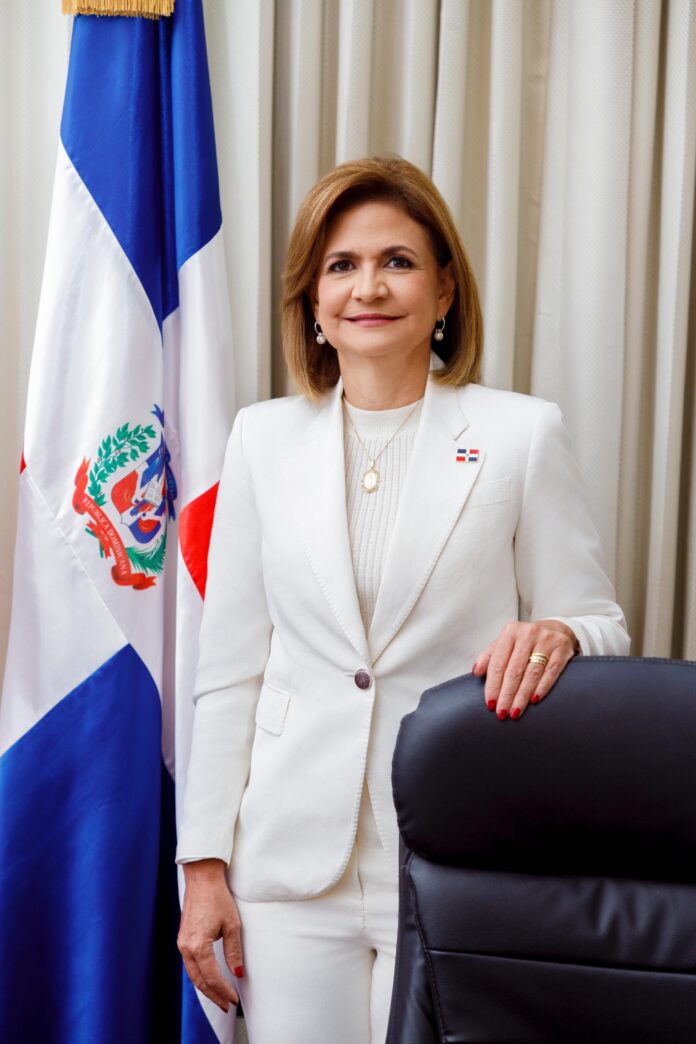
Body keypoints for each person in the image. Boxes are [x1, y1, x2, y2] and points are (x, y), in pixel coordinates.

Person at [175, 156, 630, 1043]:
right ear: (312, 301)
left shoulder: (520, 434)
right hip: (287, 871)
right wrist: (203, 865)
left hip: (454, 856)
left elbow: (602, 625)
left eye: (398, 261)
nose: (369, 287)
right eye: (341, 265)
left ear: (445, 288)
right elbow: (229, 674)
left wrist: (561, 635)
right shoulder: (262, 440)